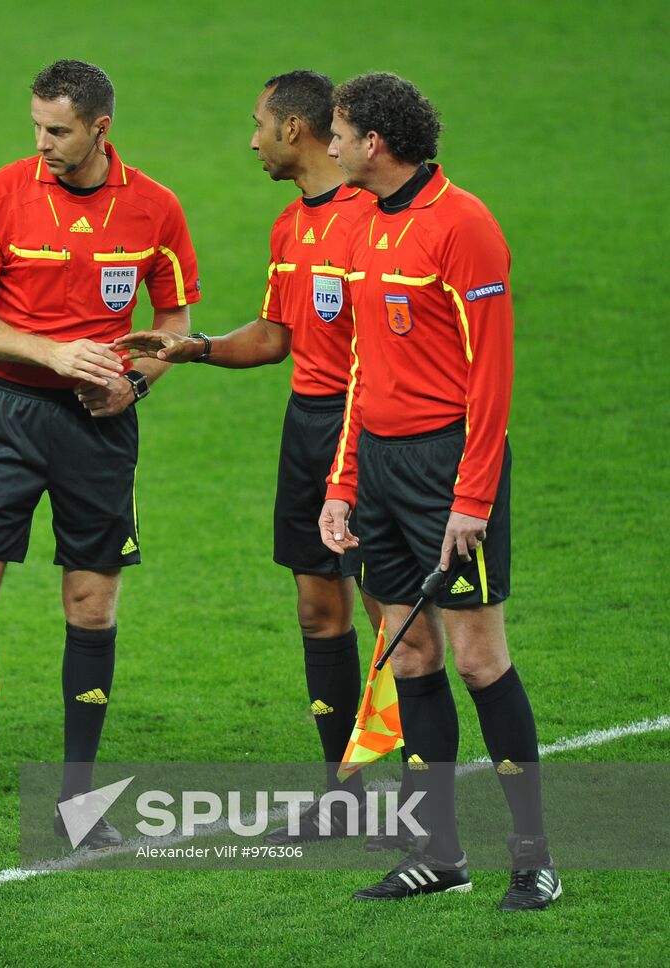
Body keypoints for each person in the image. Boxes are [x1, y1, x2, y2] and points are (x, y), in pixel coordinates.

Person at [116, 71, 442, 847]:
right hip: (308, 424)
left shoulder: (373, 216)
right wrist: (190, 348)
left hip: (369, 430)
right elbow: (275, 337)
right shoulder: (290, 228)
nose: (251, 138)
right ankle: (346, 791)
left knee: (389, 613)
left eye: (259, 123)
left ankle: (418, 797)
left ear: (295, 129)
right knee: (317, 606)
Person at [0, 60, 200, 851]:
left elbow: (172, 319)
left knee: (91, 608)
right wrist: (54, 353)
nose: (42, 142)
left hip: (97, 429)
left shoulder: (154, 209)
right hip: (4, 419)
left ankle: (80, 808)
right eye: (36, 125)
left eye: (58, 130)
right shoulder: (3, 193)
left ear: (100, 128)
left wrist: (134, 385)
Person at [318, 71, 559, 909]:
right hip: (380, 468)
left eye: (340, 133)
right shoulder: (357, 225)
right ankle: (439, 851)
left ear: (374, 144)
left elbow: (491, 378)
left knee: (479, 656)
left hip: (448, 469)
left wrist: (473, 497)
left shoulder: (464, 227)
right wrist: (343, 481)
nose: (331, 144)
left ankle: (533, 854)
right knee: (409, 652)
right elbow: (361, 367)